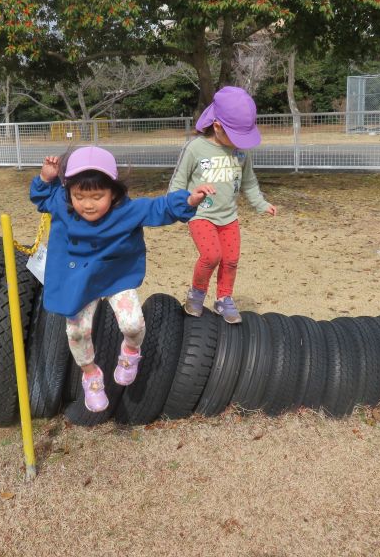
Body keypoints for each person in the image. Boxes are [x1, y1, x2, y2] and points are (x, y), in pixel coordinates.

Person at [30, 146, 215, 412]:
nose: (88, 204)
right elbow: (41, 197)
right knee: (76, 331)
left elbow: (160, 208)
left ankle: (130, 352)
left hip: (115, 275)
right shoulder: (62, 204)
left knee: (132, 324)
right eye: (79, 196)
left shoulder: (128, 211)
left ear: (114, 192)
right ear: (69, 191)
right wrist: (46, 177)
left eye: (97, 196)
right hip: (78, 279)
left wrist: (189, 201)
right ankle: (90, 374)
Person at [169, 86, 276, 324]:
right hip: (201, 215)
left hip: (229, 217)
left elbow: (249, 181)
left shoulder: (241, 153)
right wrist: (176, 205)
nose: (239, 142)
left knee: (231, 260)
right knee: (211, 256)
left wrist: (260, 203)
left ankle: (223, 298)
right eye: (235, 135)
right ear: (217, 126)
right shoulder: (195, 148)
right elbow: (178, 182)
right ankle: (196, 294)